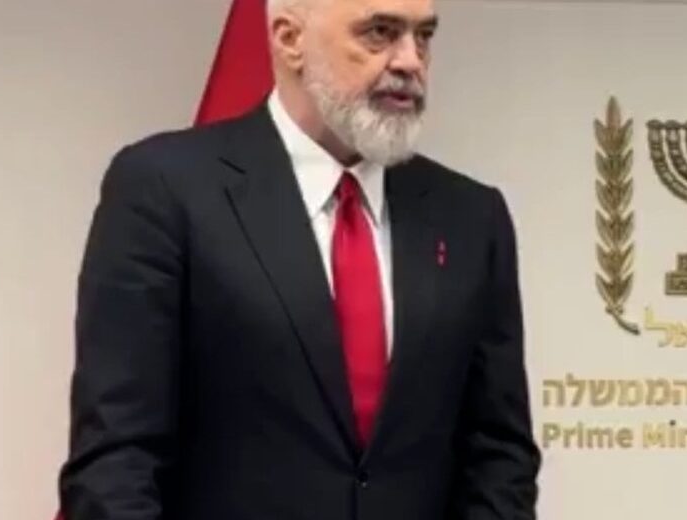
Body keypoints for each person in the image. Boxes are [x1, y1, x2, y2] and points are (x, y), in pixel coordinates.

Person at [58, 0, 540, 518]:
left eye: (423, 36)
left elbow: (499, 457)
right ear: (290, 39)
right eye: (380, 33)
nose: (410, 61)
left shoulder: (471, 217)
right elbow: (117, 461)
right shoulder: (164, 190)